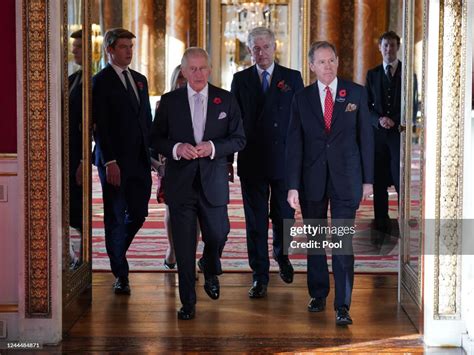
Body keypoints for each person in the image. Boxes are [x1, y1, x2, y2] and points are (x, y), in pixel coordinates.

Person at [151, 47, 245, 320]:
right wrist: (177, 148)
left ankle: (210, 262)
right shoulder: (170, 101)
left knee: (218, 234)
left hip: (213, 182)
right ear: (183, 71)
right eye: (192, 68)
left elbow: (239, 139)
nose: (198, 73)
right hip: (181, 184)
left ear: (210, 69)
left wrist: (213, 147)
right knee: (183, 245)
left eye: (203, 68)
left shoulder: (226, 100)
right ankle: (188, 302)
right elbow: (155, 139)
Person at [286, 41, 374, 326]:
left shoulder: (356, 93)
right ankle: (318, 293)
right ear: (311, 66)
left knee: (341, 242)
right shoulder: (301, 98)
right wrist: (292, 185)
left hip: (347, 179)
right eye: (321, 62)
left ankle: (343, 304)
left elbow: (366, 140)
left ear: (338, 62)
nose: (327, 66)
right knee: (315, 239)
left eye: (331, 61)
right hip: (311, 179)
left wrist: (369, 180)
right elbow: (294, 145)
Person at [230, 27, 304, 298]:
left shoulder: (292, 78)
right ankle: (259, 275)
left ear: (275, 48)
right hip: (252, 159)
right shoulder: (240, 80)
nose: (261, 53)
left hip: (284, 160)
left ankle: (282, 254)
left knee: (284, 216)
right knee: (256, 221)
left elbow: (300, 122)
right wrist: (229, 161)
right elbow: (232, 123)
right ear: (249, 50)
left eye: (266, 47)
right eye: (255, 48)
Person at [92, 28, 153, 295]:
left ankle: (119, 252)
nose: (129, 51)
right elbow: (100, 126)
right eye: (124, 47)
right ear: (110, 50)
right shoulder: (100, 81)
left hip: (140, 161)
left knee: (139, 214)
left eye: (131, 46)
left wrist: (153, 156)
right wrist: (109, 161)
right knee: (115, 216)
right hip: (114, 163)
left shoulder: (139, 79)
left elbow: (146, 120)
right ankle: (121, 273)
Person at [152, 65, 200, 270]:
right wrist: (157, 164)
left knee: (196, 210)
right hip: (171, 164)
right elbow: (155, 137)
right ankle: (172, 249)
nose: (183, 80)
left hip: (199, 163)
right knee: (172, 209)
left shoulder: (203, 99)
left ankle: (190, 255)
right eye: (180, 77)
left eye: (187, 76)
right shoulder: (165, 103)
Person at [365, 31, 402, 235]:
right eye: (386, 45)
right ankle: (381, 221)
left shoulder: (408, 72)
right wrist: (378, 120)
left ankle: (403, 218)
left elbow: (411, 104)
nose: (389, 49)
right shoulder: (373, 74)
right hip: (377, 137)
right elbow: (366, 104)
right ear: (380, 48)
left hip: (398, 135)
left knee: (399, 179)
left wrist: (394, 120)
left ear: (398, 47)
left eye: (393, 45)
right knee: (379, 180)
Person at [68, 29, 83, 268]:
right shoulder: (73, 79)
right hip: (66, 155)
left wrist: (82, 159)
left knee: (79, 208)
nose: (74, 50)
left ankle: (82, 258)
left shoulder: (94, 82)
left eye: (78, 46)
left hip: (80, 156)